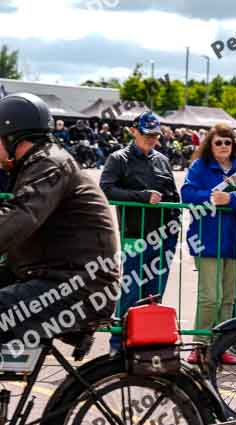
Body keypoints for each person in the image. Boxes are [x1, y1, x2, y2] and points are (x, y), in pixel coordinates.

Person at [0, 93, 120, 348]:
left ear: (12, 137)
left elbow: (20, 217)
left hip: (78, 287)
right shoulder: (35, 163)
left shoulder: (50, 164)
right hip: (59, 277)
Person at [181, 124, 236, 364]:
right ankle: (199, 345)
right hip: (208, 240)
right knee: (210, 297)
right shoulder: (200, 166)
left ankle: (221, 346)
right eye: (218, 142)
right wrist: (211, 197)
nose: (223, 147)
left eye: (228, 142)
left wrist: (232, 198)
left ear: (234, 145)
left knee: (228, 299)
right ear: (210, 144)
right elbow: (186, 193)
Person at [100, 111, 181, 353]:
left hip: (163, 235)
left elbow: (173, 195)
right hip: (135, 234)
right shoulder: (118, 158)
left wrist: (175, 227)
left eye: (155, 136)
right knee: (131, 289)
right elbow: (106, 190)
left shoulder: (162, 160)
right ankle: (118, 343)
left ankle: (147, 340)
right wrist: (141, 197)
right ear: (134, 131)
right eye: (147, 135)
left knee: (155, 292)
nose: (152, 140)